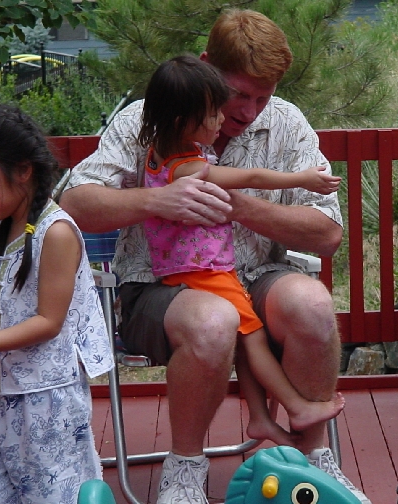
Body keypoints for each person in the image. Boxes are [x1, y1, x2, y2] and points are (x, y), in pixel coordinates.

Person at [60, 8, 371, 504]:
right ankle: (184, 468)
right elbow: (75, 202)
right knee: (214, 320)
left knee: (311, 305)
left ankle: (315, 462)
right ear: (207, 65)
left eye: (262, 97)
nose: (249, 111)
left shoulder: (286, 123)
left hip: (256, 276)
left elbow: (328, 234)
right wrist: (157, 200)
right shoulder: (147, 119)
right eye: (238, 94)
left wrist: (237, 205)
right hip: (161, 288)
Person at [139, 54, 346, 447]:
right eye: (212, 114)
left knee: (246, 332)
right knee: (254, 338)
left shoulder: (161, 151)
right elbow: (251, 176)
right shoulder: (189, 167)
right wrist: (302, 179)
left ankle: (260, 419)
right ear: (183, 121)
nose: (221, 120)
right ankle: (295, 407)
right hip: (205, 272)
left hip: (200, 269)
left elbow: (329, 234)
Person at [0, 104, 114, 504]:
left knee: (52, 494)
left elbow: (49, 321)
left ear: (23, 170)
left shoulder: (57, 232)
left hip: (47, 400)